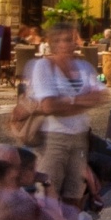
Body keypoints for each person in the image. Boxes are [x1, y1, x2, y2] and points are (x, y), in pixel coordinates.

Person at [26, 22, 106, 205]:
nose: (65, 44)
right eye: (60, 40)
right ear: (52, 43)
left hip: (80, 138)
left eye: (69, 39)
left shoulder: (84, 67)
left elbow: (101, 95)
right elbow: (48, 106)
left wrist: (66, 101)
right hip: (54, 138)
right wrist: (82, 101)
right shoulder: (43, 67)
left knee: (75, 191)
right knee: (49, 191)